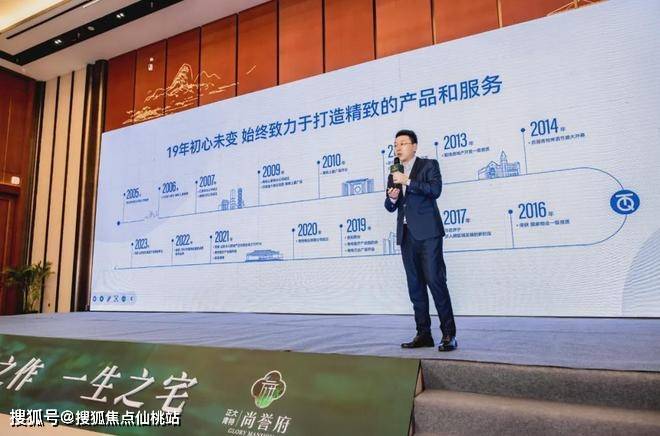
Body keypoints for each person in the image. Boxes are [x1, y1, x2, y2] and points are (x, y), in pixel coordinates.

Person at [384, 129, 457, 352]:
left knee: (436, 281)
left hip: (428, 234)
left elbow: (435, 190)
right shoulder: (394, 172)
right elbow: (390, 206)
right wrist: (392, 198)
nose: (398, 148)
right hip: (407, 236)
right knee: (415, 287)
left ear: (414, 146)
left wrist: (408, 181)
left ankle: (449, 335)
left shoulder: (429, 165)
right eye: (395, 145)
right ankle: (423, 334)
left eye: (402, 143)